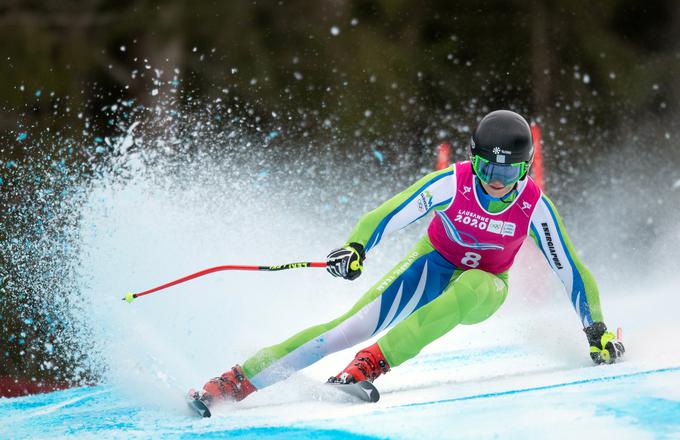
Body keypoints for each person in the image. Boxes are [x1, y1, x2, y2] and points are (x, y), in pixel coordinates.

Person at [190, 109, 625, 406]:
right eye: (488, 170)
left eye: (507, 172)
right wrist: (356, 247)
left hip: (488, 285)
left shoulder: (534, 204)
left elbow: (570, 268)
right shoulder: (451, 183)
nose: (496, 181)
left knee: (471, 286)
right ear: (474, 161)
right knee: (345, 328)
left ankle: (369, 366)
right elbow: (389, 213)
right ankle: (235, 382)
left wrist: (596, 329)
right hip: (432, 262)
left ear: (524, 170)